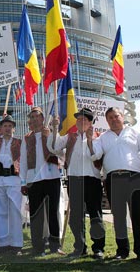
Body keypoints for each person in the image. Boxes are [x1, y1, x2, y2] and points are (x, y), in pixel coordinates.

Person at [92, 107, 140, 260]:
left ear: (122, 116)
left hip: (134, 177)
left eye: (116, 116)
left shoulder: (135, 133)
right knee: (118, 216)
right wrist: (89, 139)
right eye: (110, 117)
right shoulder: (102, 138)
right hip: (113, 179)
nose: (113, 119)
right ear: (106, 121)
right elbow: (95, 154)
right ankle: (122, 250)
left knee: (138, 214)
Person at [51, 108, 105, 259]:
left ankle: (98, 248)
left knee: (95, 214)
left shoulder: (98, 138)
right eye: (79, 119)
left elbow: (96, 156)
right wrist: (55, 128)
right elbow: (54, 147)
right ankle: (80, 247)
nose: (81, 122)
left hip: (92, 180)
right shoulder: (70, 137)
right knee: (76, 217)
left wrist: (89, 141)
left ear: (90, 122)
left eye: (85, 120)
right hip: (74, 180)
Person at [20, 106, 64, 256]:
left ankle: (54, 245)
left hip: (52, 178)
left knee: (53, 212)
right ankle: (37, 247)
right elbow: (23, 161)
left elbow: (59, 152)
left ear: (42, 118)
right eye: (31, 117)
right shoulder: (27, 138)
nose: (34, 119)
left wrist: (52, 134)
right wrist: (23, 182)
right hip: (34, 180)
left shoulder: (52, 133)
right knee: (36, 215)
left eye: (36, 116)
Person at [0, 115, 23, 254]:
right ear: (1, 129)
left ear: (13, 128)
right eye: (5, 126)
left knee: (15, 211)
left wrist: (24, 180)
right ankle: (2, 242)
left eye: (10, 126)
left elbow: (25, 161)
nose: (8, 128)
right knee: (0, 211)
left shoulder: (20, 142)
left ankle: (16, 243)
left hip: (14, 179)